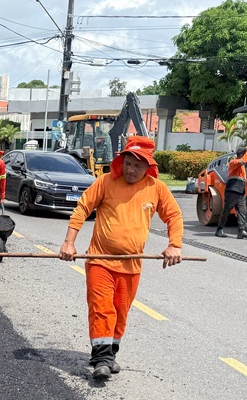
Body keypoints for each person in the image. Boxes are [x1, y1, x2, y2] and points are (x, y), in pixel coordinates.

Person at [59, 136, 184, 380]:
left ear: (148, 167)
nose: (131, 169)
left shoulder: (156, 188)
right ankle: (101, 358)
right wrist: (69, 243)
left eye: (137, 165)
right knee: (102, 308)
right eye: (127, 163)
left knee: (120, 312)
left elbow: (174, 216)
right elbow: (83, 208)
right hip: (100, 260)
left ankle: (110, 354)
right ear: (121, 162)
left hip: (131, 265)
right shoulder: (105, 182)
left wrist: (174, 245)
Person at [216, 146, 247, 239]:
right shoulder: (234, 162)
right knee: (227, 210)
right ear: (242, 155)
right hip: (232, 190)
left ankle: (241, 231)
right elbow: (243, 161)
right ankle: (219, 229)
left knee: (242, 211)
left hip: (240, 191)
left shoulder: (241, 166)